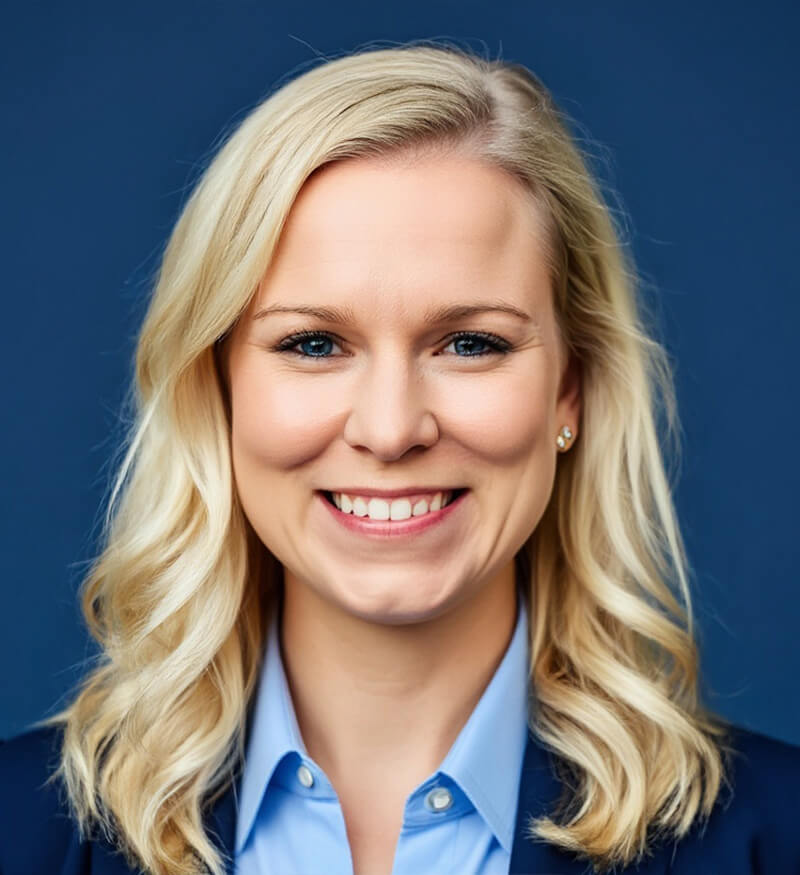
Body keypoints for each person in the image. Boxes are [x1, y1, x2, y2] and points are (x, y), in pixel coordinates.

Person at [1, 40, 798, 875]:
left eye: (468, 343)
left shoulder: (776, 838)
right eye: (313, 343)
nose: (390, 429)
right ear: (219, 389)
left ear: (571, 392)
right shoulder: (19, 832)